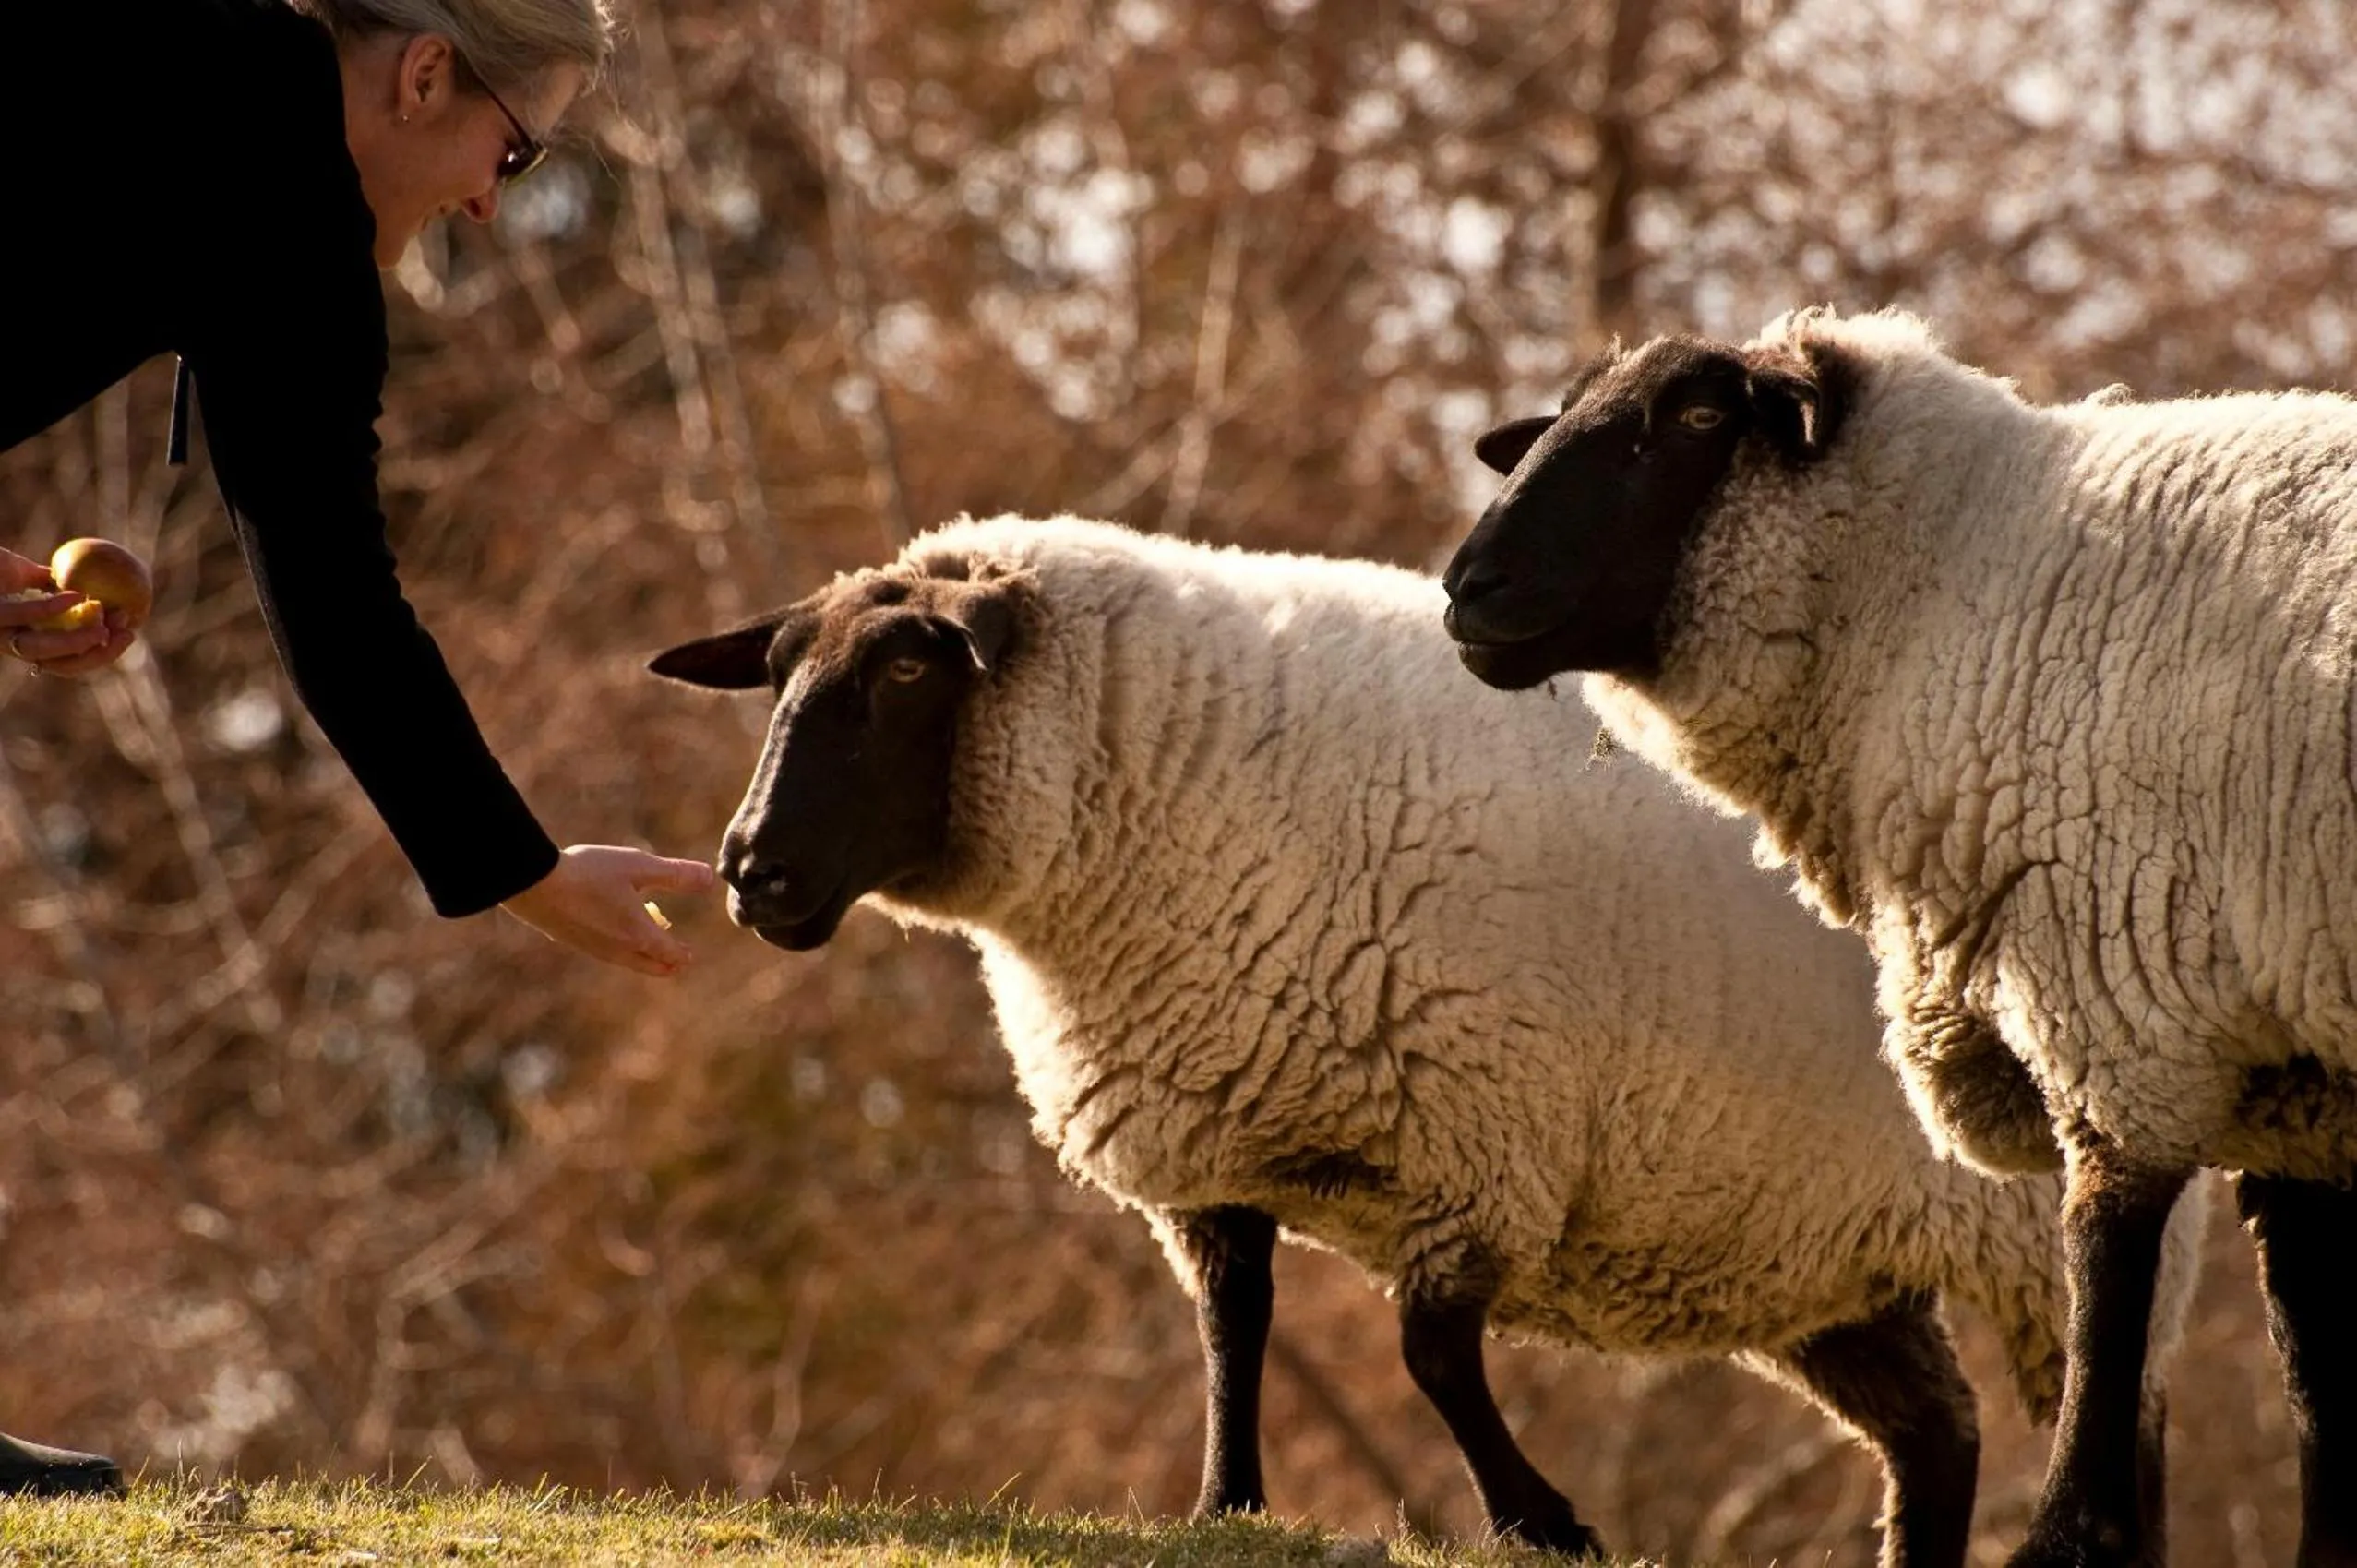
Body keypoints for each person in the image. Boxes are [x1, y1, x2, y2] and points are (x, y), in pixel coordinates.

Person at [2, 0, 722, 1494]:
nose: (488, 206)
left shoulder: (283, 223)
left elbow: (328, 591)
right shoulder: (217, 125)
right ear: (424, 72)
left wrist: (517, 863)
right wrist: (527, 872)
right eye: (514, 154)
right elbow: (342, 603)